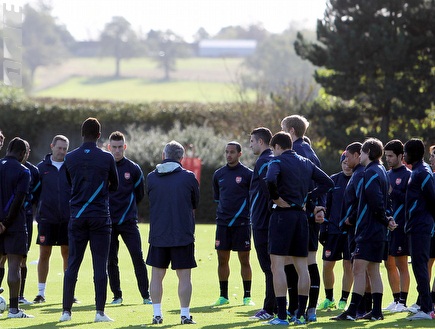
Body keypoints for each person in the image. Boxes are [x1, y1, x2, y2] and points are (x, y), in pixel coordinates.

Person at [265, 131, 333, 325]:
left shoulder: (276, 162)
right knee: (302, 267)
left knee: (277, 266)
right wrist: (308, 197)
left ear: (277, 146)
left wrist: (277, 199)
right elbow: (327, 183)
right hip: (302, 217)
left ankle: (280, 316)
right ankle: (301, 315)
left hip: (282, 217)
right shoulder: (306, 162)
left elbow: (270, 181)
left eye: (273, 149)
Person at [59, 117, 118, 323]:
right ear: (99, 135)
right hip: (100, 216)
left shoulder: (70, 157)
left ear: (82, 133)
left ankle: (66, 311)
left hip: (77, 216)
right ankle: (100, 312)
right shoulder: (107, 157)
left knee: (72, 264)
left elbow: (69, 183)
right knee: (100, 265)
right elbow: (115, 184)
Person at [333, 138, 396, 321]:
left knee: (358, 269)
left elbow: (375, 201)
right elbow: (386, 199)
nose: (359, 155)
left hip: (368, 230)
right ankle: (376, 311)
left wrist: (385, 219)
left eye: (361, 152)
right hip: (377, 231)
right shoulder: (382, 170)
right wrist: (388, 219)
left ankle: (352, 311)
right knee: (374, 271)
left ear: (368, 152)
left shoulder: (370, 172)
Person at [146, 140, 199, 325]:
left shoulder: (151, 177)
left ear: (163, 155)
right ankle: (184, 315)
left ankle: (157, 314)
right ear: (181, 158)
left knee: (156, 275)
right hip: (182, 233)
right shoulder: (189, 177)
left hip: (159, 233)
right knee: (184, 276)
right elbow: (194, 204)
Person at [280, 115, 324, 321]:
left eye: (282, 129)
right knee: (304, 260)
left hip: (300, 214)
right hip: (308, 213)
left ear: (291, 131)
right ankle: (304, 309)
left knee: (300, 261)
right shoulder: (310, 151)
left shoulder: (296, 152)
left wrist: (309, 200)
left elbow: (313, 183)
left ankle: (302, 308)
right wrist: (318, 203)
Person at [107, 131, 151, 305]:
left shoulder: (133, 169)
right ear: (109, 147)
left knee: (137, 257)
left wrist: (128, 210)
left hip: (128, 222)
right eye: (114, 147)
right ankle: (117, 296)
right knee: (111, 260)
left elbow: (140, 194)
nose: (117, 151)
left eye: (120, 147)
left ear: (124, 147)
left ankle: (146, 295)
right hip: (108, 222)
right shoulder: (104, 167)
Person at [212, 141, 254, 307]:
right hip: (223, 223)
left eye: (232, 152)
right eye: (227, 152)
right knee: (222, 260)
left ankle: (247, 296)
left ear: (239, 154)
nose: (229, 155)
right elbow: (217, 198)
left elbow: (252, 199)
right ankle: (223, 296)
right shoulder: (218, 174)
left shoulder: (248, 175)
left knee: (244, 260)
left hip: (242, 223)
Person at [33, 135, 71, 304]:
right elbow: (33, 193)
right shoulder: (40, 168)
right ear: (52, 146)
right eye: (59, 148)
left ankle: (68, 292)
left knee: (67, 254)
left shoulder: (71, 167)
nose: (62, 151)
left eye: (65, 149)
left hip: (68, 219)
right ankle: (41, 293)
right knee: (44, 254)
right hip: (46, 219)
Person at [0, 137, 34, 318]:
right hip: (14, 225)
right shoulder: (23, 171)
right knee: (14, 265)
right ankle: (13, 310)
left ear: (7, 150)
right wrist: (5, 222)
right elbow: (19, 200)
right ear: (22, 154)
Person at [402, 138, 435, 320]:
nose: (404, 154)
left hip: (420, 226)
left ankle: (426, 309)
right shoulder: (417, 171)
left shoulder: (422, 172)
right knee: (419, 266)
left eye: (405, 151)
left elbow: (432, 199)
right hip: (415, 226)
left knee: (420, 266)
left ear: (412, 153)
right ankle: (424, 305)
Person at [317, 152, 353, 311]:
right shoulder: (333, 180)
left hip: (351, 232)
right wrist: (324, 228)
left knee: (348, 266)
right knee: (327, 265)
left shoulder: (358, 178)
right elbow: (327, 206)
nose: (346, 165)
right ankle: (329, 297)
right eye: (343, 162)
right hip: (333, 231)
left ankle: (344, 299)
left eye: (348, 162)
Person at [248, 127, 275, 320]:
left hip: (263, 222)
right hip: (265, 220)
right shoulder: (268, 160)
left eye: (251, 141)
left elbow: (269, 188)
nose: (250, 144)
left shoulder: (265, 161)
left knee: (269, 267)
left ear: (261, 142)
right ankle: (279, 304)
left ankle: (270, 308)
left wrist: (274, 206)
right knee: (274, 266)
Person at [382, 140, 410, 313]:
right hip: (387, 226)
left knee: (402, 263)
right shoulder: (385, 174)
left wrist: (394, 191)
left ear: (401, 156)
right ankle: (395, 298)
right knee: (388, 263)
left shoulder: (408, 175)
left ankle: (404, 301)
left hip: (401, 226)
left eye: (391, 156)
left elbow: (410, 199)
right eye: (386, 156)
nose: (388, 159)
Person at [18, 141, 40, 305]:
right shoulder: (5, 167)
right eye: (21, 151)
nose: (24, 154)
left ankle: (20, 295)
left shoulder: (33, 171)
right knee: (3, 257)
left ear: (29, 152)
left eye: (26, 151)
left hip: (25, 218)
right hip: (6, 218)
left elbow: (37, 195)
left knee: (23, 257)